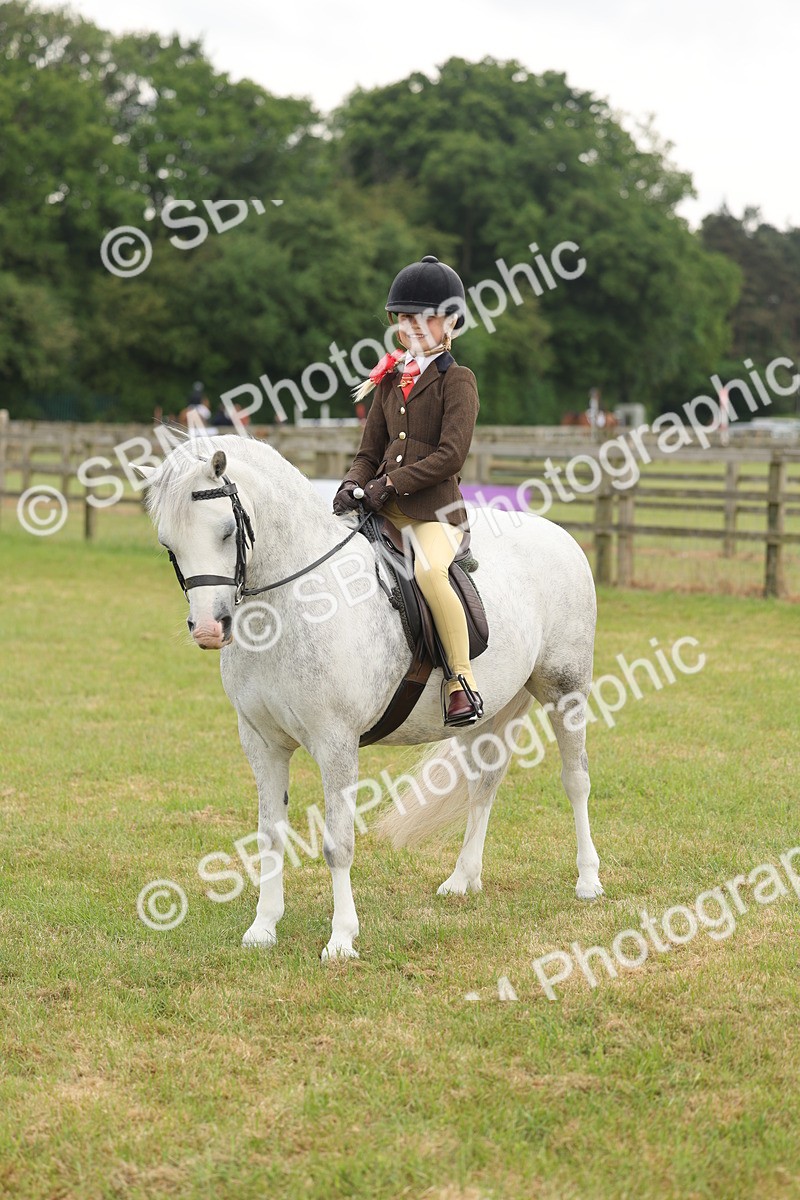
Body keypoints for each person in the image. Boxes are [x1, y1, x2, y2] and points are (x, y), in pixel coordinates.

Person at [333, 254, 483, 727]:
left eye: (425, 318)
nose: (412, 326)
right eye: (404, 318)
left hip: (436, 515)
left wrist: (389, 483)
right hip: (385, 508)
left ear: (450, 323)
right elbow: (368, 449)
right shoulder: (389, 380)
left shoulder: (457, 381)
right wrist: (353, 483)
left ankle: (461, 681)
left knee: (428, 572)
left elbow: (450, 456)